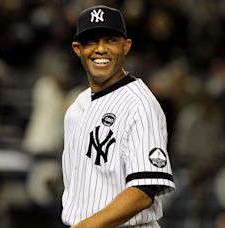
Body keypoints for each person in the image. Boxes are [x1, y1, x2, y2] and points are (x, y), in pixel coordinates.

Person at [61, 5, 175, 227]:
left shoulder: (140, 104)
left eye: (110, 40)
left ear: (126, 46)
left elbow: (143, 191)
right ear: (78, 49)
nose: (100, 49)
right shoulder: (76, 107)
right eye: (91, 41)